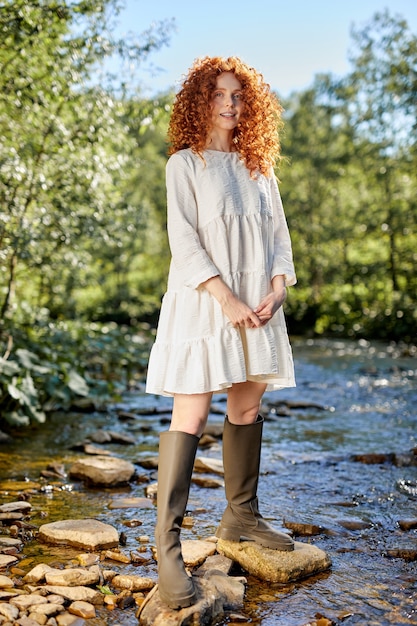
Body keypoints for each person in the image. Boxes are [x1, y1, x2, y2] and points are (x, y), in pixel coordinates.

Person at [146, 56, 297, 610]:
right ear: (200, 101)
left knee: (247, 406)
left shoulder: (261, 168)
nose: (230, 104)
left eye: (238, 96)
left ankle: (240, 517)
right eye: (219, 95)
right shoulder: (183, 165)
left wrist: (278, 289)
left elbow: (280, 238)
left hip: (258, 304)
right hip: (206, 303)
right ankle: (167, 551)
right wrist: (226, 298)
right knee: (190, 414)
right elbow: (183, 244)